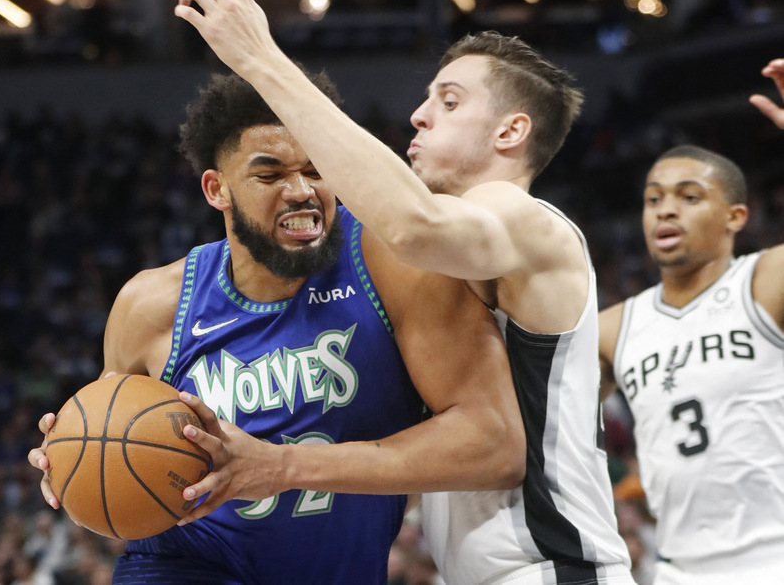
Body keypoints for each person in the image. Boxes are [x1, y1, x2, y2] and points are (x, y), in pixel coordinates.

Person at [173, 0, 634, 584]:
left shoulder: (526, 220)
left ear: (510, 132)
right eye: (426, 98)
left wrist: (261, 59)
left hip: (551, 567)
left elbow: (414, 226)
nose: (419, 115)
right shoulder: (449, 263)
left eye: (448, 101)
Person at [28, 71, 525, 584]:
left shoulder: (395, 265)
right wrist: (71, 457)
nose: (301, 191)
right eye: (270, 176)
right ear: (216, 189)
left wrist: (281, 467)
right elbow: (112, 440)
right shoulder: (153, 303)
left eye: (316, 169)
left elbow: (494, 443)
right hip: (183, 564)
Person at [597, 58, 784, 584]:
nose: (665, 211)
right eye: (653, 199)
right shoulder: (616, 325)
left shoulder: (764, 280)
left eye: (689, 197)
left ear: (735, 217)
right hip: (677, 569)